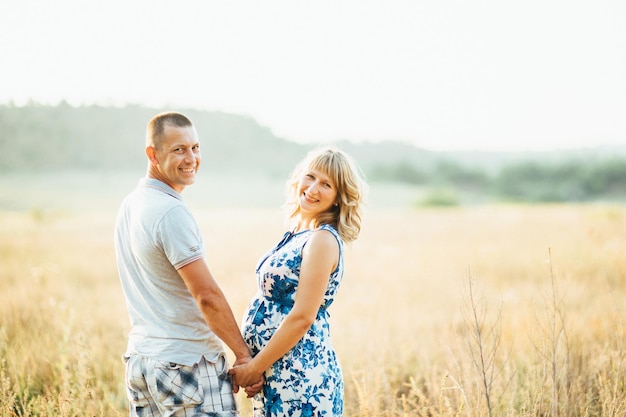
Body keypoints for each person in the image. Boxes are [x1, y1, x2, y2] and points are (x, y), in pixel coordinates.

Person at [114, 111, 261, 416]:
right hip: (187, 366)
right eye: (178, 149)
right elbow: (206, 295)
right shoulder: (170, 212)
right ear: (152, 155)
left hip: (142, 364)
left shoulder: (131, 203)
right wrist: (244, 355)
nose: (191, 158)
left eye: (195, 147)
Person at [229, 146, 367, 416]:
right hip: (278, 372)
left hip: (301, 378)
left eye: (326, 184)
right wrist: (257, 365)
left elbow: (303, 316)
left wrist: (254, 368)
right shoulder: (299, 232)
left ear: (339, 198)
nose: (313, 188)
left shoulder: (323, 240)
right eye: (310, 176)